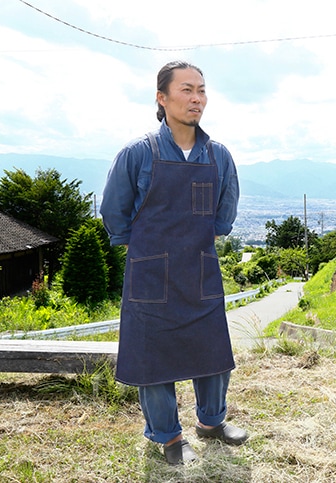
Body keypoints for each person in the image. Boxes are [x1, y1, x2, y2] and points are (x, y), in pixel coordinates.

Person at [100, 61, 246, 465]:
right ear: (161, 99)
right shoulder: (137, 153)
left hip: (200, 268)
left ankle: (212, 422)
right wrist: (147, 249)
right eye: (185, 90)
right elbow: (114, 210)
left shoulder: (218, 156)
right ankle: (168, 436)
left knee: (214, 353)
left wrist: (193, 242)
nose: (196, 98)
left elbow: (224, 214)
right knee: (154, 360)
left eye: (201, 90)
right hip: (150, 273)